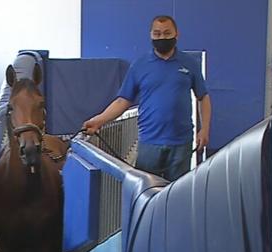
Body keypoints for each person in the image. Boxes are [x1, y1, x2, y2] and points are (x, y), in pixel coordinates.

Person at [83, 15, 211, 182]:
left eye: (167, 33)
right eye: (157, 34)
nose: (162, 38)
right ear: (151, 35)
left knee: (178, 193)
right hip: (150, 142)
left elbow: (203, 97)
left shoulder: (189, 63)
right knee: (147, 193)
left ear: (176, 34)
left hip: (181, 143)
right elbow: (123, 101)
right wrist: (99, 120)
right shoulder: (139, 65)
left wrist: (205, 129)